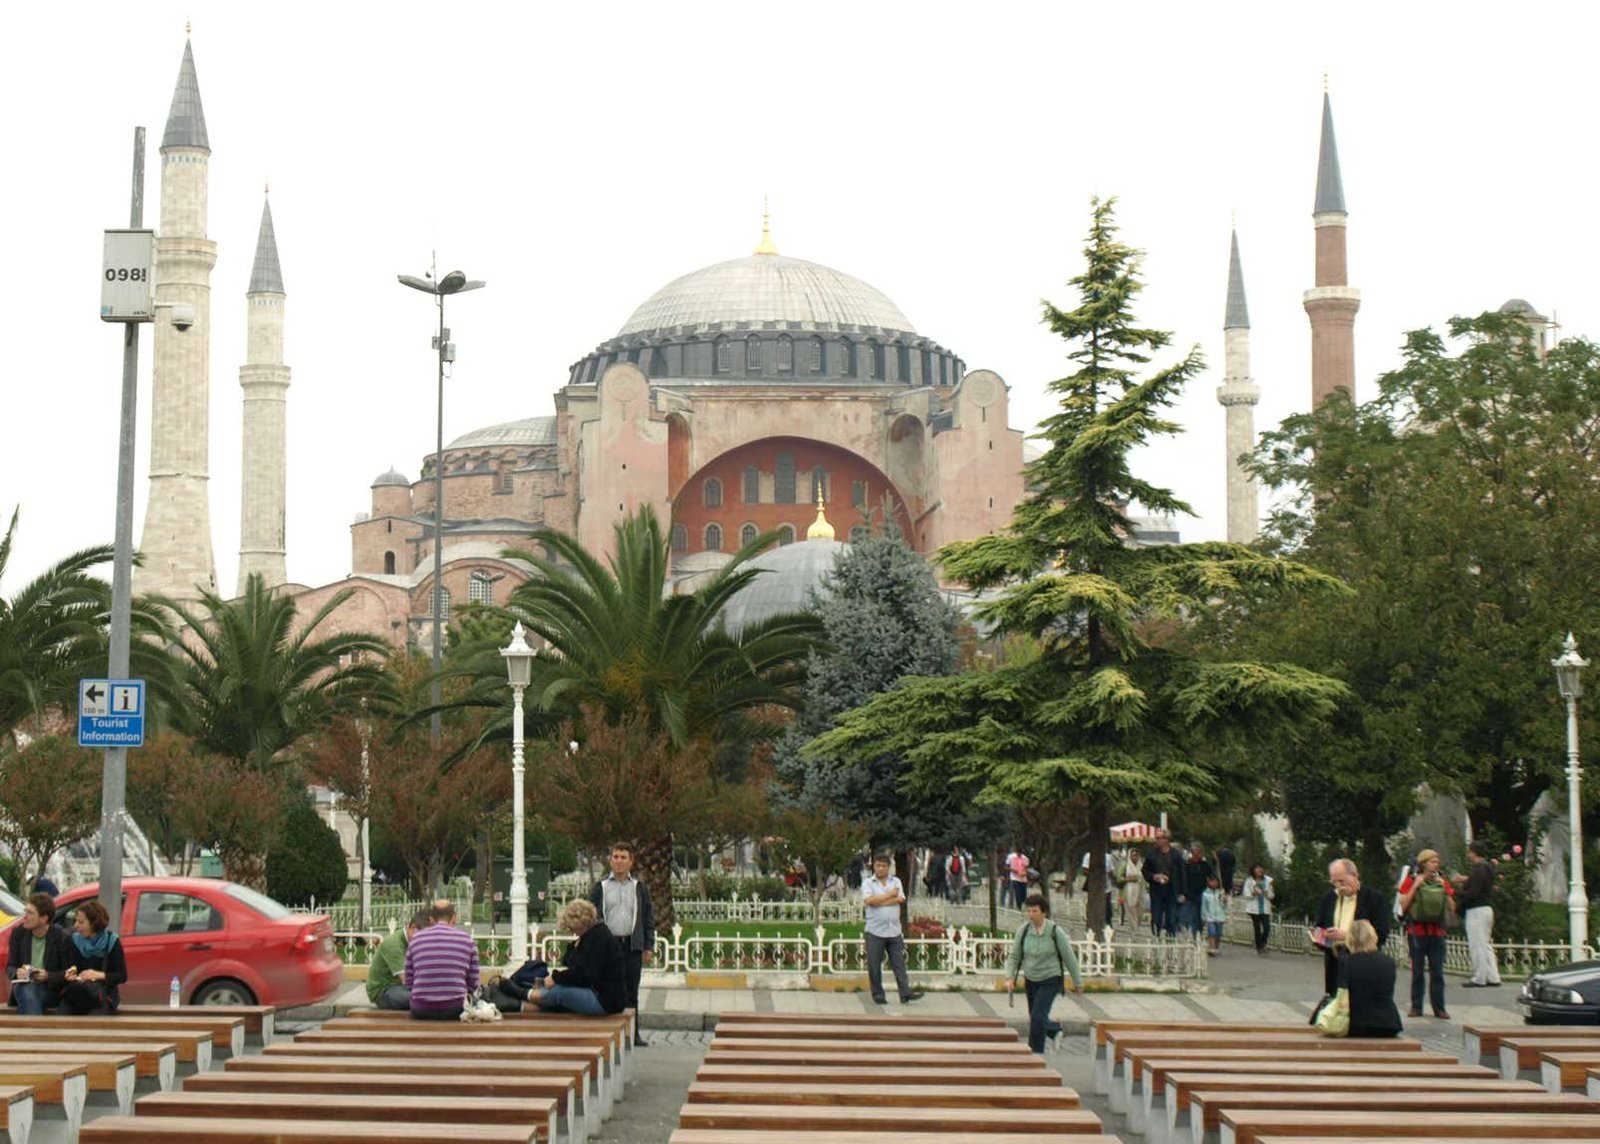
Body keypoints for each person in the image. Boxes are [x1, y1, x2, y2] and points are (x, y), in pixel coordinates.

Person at [589, 840, 654, 1045]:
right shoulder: (601, 887)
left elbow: (647, 917)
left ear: (631, 861)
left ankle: (632, 1034)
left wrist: (648, 945)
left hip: (631, 946)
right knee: (607, 990)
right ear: (610, 860)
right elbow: (590, 917)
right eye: (615, 857)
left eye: (623, 857)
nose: (619, 861)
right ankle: (609, 1034)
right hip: (608, 947)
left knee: (631, 992)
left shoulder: (639, 888)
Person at [1003, 893, 1082, 1053]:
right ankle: (1054, 1030)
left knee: (1038, 1017)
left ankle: (1035, 1053)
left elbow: (1069, 957)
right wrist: (1009, 977)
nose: (1031, 915)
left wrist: (1078, 982)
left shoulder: (1054, 931)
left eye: (1035, 911)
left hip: (1050, 979)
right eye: (1028, 911)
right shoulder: (1024, 931)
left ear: (1043, 912)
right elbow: (1014, 956)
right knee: (1035, 1017)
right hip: (1031, 979)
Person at [517, 899, 626, 1015]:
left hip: (605, 1001)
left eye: (571, 928)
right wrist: (575, 946)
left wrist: (555, 978)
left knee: (560, 992)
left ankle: (521, 993)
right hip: (598, 994)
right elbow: (568, 962)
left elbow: (582, 975)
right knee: (558, 997)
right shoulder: (592, 936)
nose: (572, 932)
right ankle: (518, 1004)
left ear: (579, 924)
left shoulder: (598, 939)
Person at [1314, 858, 1391, 997]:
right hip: (1335, 962)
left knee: (1360, 1002)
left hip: (1363, 963)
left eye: (1342, 881)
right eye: (1334, 882)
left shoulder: (1374, 898)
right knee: (1335, 1001)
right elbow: (1319, 926)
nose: (1338, 886)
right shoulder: (1329, 898)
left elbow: (1382, 932)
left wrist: (1347, 936)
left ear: (1355, 875)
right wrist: (1322, 936)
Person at [1397, 847, 1455, 1019]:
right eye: (1432, 861)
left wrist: (1444, 889)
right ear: (1423, 863)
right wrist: (1415, 885)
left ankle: (1439, 1008)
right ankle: (1416, 1006)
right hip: (1417, 932)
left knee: (1437, 972)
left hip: (1437, 932)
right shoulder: (1411, 880)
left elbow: (1452, 907)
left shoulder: (1442, 881)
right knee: (1417, 971)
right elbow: (1403, 905)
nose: (1435, 864)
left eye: (1437, 862)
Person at [862, 851, 923, 1005]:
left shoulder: (896, 881)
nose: (880, 868)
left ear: (888, 867)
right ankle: (878, 995)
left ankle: (905, 993)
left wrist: (880, 901)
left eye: (883, 866)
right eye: (878, 865)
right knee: (874, 965)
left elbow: (900, 898)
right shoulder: (868, 883)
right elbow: (869, 901)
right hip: (875, 931)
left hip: (894, 930)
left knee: (899, 963)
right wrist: (890, 895)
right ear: (874, 867)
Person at [405, 900, 480, 1021]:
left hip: (421, 1009)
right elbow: (473, 983)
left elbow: (409, 981)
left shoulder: (415, 940)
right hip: (456, 1008)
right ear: (454, 918)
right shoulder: (467, 941)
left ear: (431, 919)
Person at [6, 892, 71, 1014]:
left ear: (44, 918)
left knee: (28, 998)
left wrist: (48, 976)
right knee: (24, 988)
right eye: (25, 911)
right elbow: (10, 966)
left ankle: (31, 1025)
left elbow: (68, 974)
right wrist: (17, 973)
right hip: (23, 986)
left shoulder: (62, 937)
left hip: (49, 991)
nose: (24, 916)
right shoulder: (18, 934)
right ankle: (35, 1025)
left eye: (30, 913)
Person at [59, 899, 126, 1014]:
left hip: (103, 994)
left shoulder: (112, 941)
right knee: (63, 1012)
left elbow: (122, 975)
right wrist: (70, 975)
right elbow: (68, 969)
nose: (76, 926)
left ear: (94, 923)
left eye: (81, 922)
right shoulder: (72, 940)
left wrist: (98, 975)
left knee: (96, 1014)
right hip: (78, 992)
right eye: (76, 921)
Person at [1338, 919, 1403, 1038]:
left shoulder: (1347, 962)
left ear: (1350, 939)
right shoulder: (1389, 962)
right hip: (1388, 1024)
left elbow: (1341, 993)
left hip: (1357, 1024)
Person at [1454, 839, 1503, 988]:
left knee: (1477, 944)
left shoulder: (1478, 869)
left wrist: (1455, 892)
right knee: (1485, 943)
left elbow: (1473, 893)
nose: (1468, 854)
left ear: (1474, 853)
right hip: (1487, 909)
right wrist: (1467, 880)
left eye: (1470, 851)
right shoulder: (1487, 867)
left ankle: (1479, 977)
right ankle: (1493, 976)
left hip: (1476, 911)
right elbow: (1483, 884)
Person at [367, 909, 430, 1010]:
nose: (425, 940)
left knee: (426, 998)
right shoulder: (394, 944)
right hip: (384, 990)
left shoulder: (415, 942)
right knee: (421, 999)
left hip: (402, 987)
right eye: (423, 936)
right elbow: (407, 979)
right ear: (412, 928)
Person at [1144, 832, 1182, 937]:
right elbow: (1145, 870)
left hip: (1172, 890)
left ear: (1166, 839)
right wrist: (1153, 876)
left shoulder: (1176, 855)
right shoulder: (1151, 855)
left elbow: (1182, 873)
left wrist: (1183, 892)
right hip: (1157, 890)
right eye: (1156, 838)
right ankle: (1156, 935)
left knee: (1171, 917)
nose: (1157, 840)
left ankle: (1171, 937)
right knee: (1157, 916)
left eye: (1159, 838)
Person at [1178, 841, 1213, 936]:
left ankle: (1197, 934)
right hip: (1188, 895)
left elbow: (1211, 877)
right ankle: (1186, 933)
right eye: (1194, 852)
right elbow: (1182, 879)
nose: (1196, 855)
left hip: (1201, 894)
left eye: (1198, 852)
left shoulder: (1205, 865)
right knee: (1186, 916)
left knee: (1199, 917)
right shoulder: (1186, 865)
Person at [1242, 863, 1274, 955]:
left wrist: (1266, 892)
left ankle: (1263, 943)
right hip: (1254, 908)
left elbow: (1272, 896)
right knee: (1257, 928)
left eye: (1260, 868)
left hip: (1265, 907)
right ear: (1253, 871)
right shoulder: (1249, 881)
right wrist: (1253, 893)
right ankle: (1259, 947)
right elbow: (1246, 894)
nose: (1259, 870)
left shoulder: (1267, 881)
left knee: (1267, 927)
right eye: (1257, 868)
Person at [1119, 848, 1145, 932]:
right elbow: (1119, 878)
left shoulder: (1141, 866)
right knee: (1131, 909)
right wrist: (1129, 879)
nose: (1134, 857)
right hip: (1128, 891)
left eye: (1136, 855)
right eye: (1132, 856)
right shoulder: (1125, 866)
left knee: (1140, 910)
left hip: (1140, 890)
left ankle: (1137, 925)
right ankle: (1134, 928)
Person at [1201, 874, 1227, 956]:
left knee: (1218, 933)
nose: (1214, 883)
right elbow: (1204, 906)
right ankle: (1211, 948)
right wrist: (1204, 916)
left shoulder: (1221, 892)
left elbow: (1224, 906)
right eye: (1212, 881)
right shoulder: (1205, 893)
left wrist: (1224, 900)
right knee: (1212, 932)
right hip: (1210, 917)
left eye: (1215, 881)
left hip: (1220, 916)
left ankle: (1216, 947)